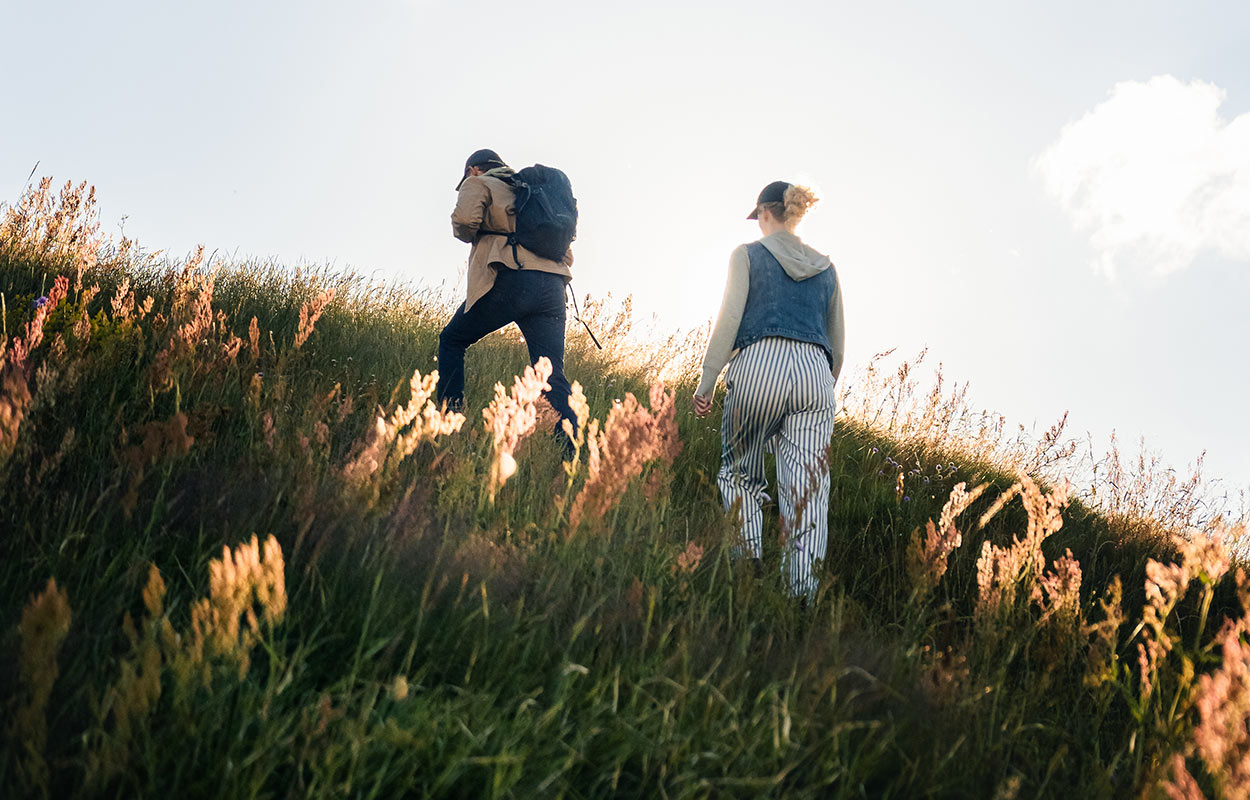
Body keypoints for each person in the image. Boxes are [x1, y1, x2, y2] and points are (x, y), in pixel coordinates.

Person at [693, 180, 845, 599]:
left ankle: (748, 566)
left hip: (760, 363)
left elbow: (728, 320)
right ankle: (801, 595)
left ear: (763, 213)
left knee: (740, 472)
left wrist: (707, 381)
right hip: (816, 375)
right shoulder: (826, 267)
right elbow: (838, 344)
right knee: (808, 494)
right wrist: (819, 387)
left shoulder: (747, 255)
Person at [437, 148, 579, 440]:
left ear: (474, 169)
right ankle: (571, 452)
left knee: (452, 340)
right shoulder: (532, 193)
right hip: (553, 288)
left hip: (510, 279)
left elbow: (464, 223)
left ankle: (449, 423)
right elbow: (567, 253)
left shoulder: (479, 182)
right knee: (550, 372)